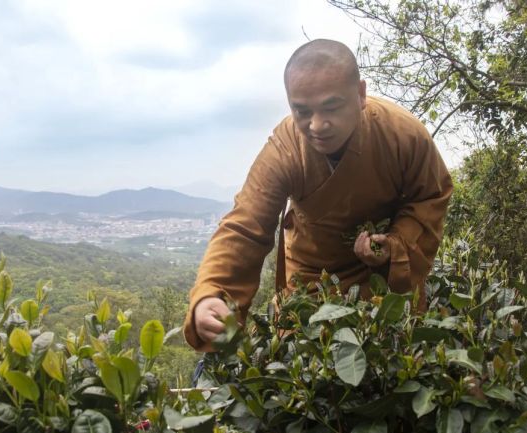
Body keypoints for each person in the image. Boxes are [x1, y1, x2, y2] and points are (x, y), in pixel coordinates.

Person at [184, 39, 453, 352]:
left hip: (382, 276)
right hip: (312, 280)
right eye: (302, 111)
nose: (316, 125)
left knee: (393, 363)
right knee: (304, 370)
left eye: (331, 108)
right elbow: (245, 226)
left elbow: (431, 197)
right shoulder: (285, 149)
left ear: (361, 94)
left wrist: (394, 243)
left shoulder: (403, 135)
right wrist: (211, 293)